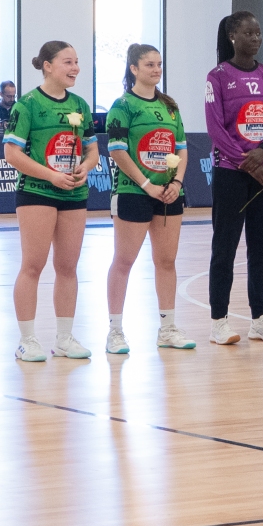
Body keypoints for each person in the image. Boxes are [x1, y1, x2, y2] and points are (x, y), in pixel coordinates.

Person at [3, 41, 99, 361]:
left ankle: (64, 339)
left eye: (76, 62)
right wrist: (50, 175)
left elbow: (92, 150)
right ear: (47, 65)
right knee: (33, 265)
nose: (75, 68)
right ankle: (27, 340)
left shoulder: (81, 105)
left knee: (68, 267)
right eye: (67, 62)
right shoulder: (27, 105)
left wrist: (86, 167)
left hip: (74, 193)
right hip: (37, 192)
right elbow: (12, 154)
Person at [104, 43, 195, 353]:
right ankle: (115, 331)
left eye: (159, 64)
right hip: (134, 192)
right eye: (149, 65)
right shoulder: (122, 105)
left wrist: (177, 182)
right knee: (124, 261)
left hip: (168, 193)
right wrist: (145, 184)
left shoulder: (170, 106)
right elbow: (118, 151)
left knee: (166, 261)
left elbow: (181, 149)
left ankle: (167, 329)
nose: (157, 70)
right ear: (134, 69)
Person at [204, 11, 263, 345]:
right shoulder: (218, 76)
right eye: (248, 33)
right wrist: (246, 161)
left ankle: (260, 318)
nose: (255, 39)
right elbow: (215, 128)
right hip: (232, 173)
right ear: (232, 36)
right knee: (224, 248)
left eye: (258, 33)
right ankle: (219, 321)